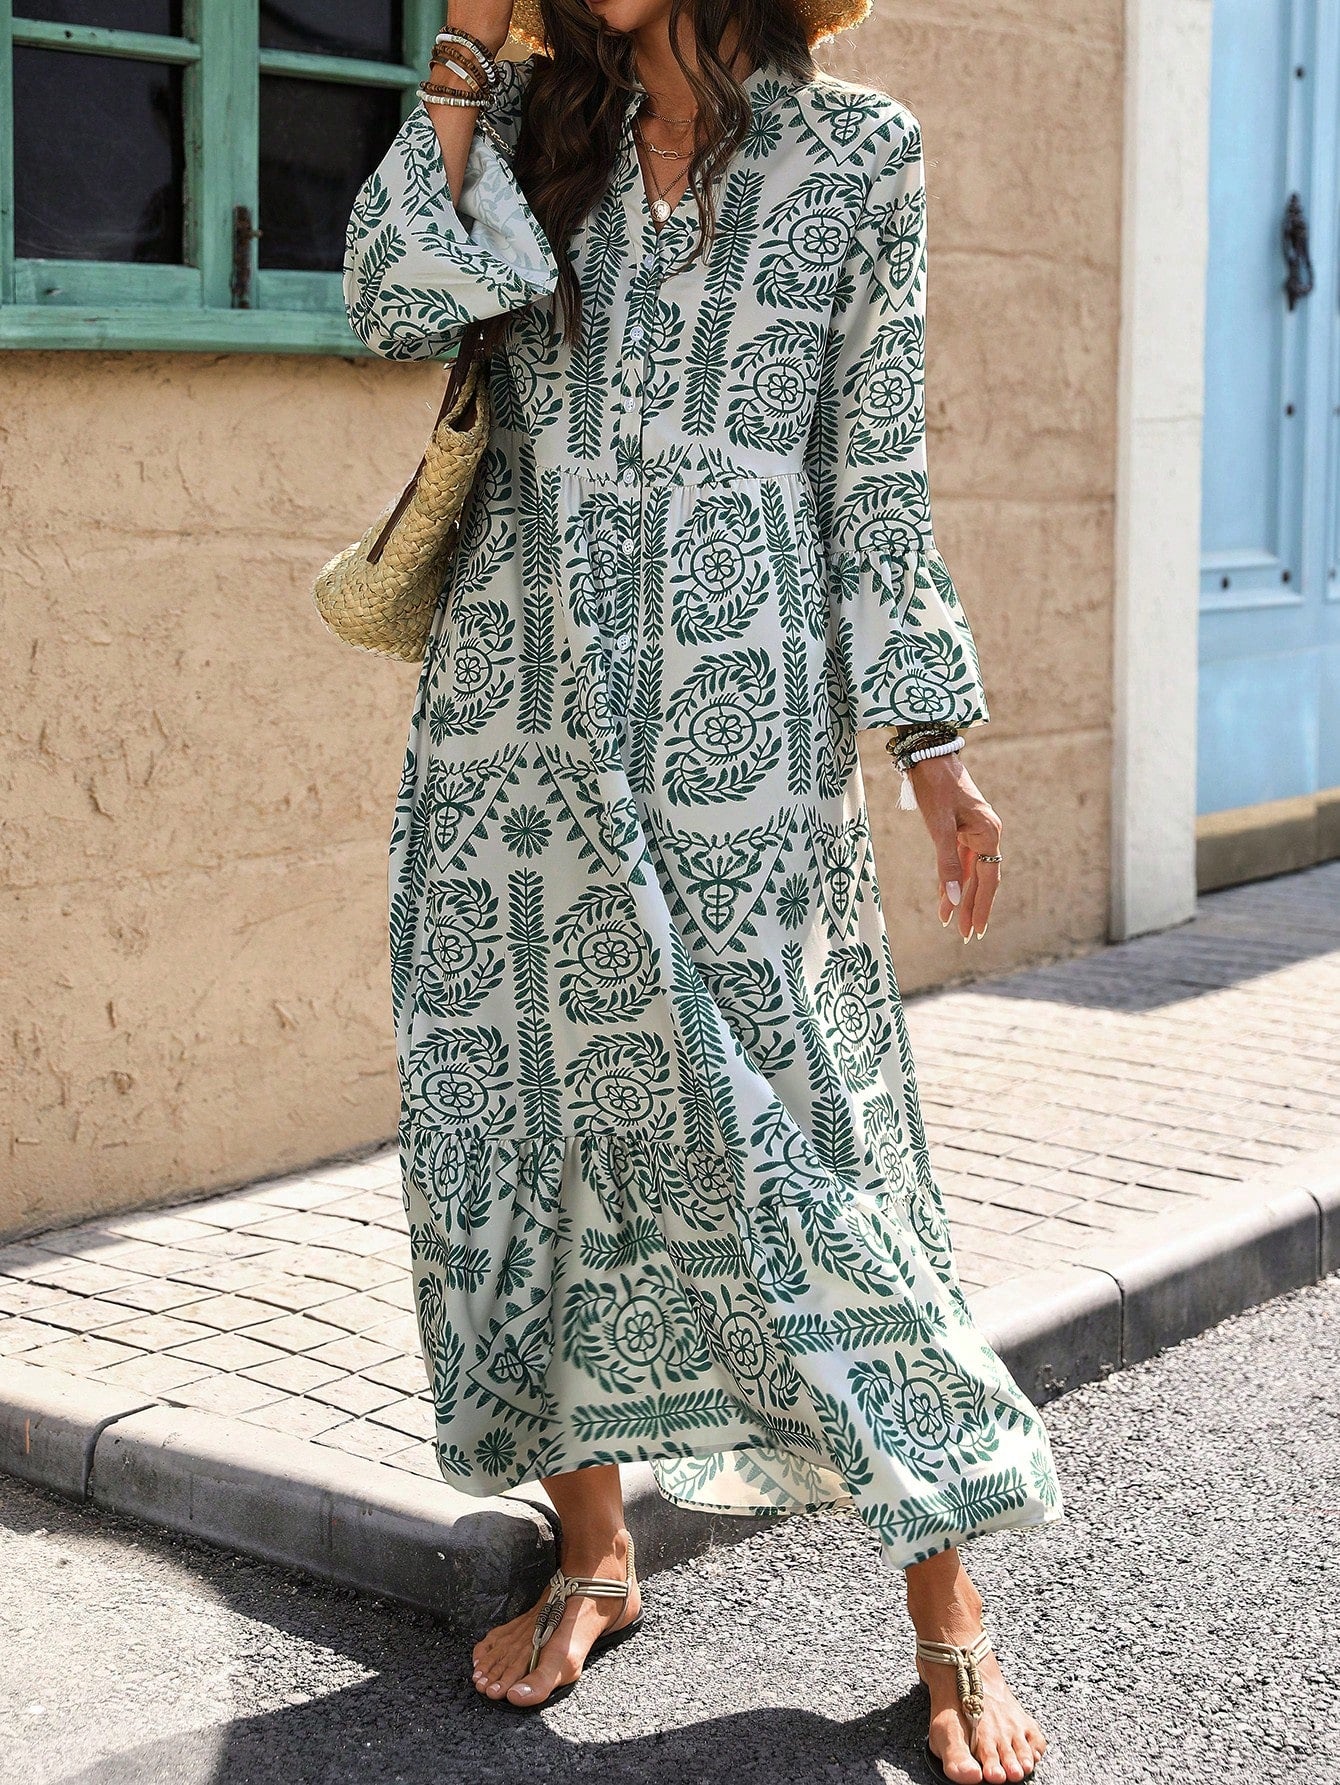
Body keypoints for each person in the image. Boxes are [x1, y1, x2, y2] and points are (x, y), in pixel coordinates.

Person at [344, 2, 1062, 1777]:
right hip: (514, 709)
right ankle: (594, 1550)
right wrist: (462, 53)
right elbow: (386, 296)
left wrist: (933, 743)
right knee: (515, 1102)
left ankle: (948, 1600)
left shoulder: (860, 155)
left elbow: (872, 473)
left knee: (808, 1125)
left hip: (741, 720)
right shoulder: (528, 125)